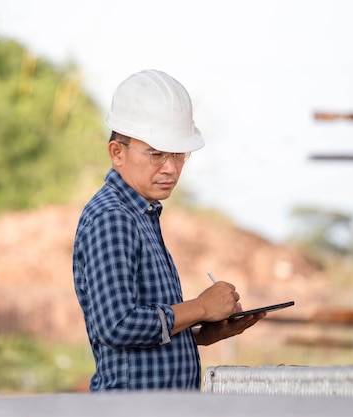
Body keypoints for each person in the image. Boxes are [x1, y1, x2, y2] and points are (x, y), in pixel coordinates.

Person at [72, 69, 265, 391]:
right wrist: (202, 307)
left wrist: (205, 332)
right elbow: (118, 326)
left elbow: (144, 335)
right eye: (156, 154)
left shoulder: (141, 215)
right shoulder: (113, 218)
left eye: (179, 154)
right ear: (117, 153)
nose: (171, 167)